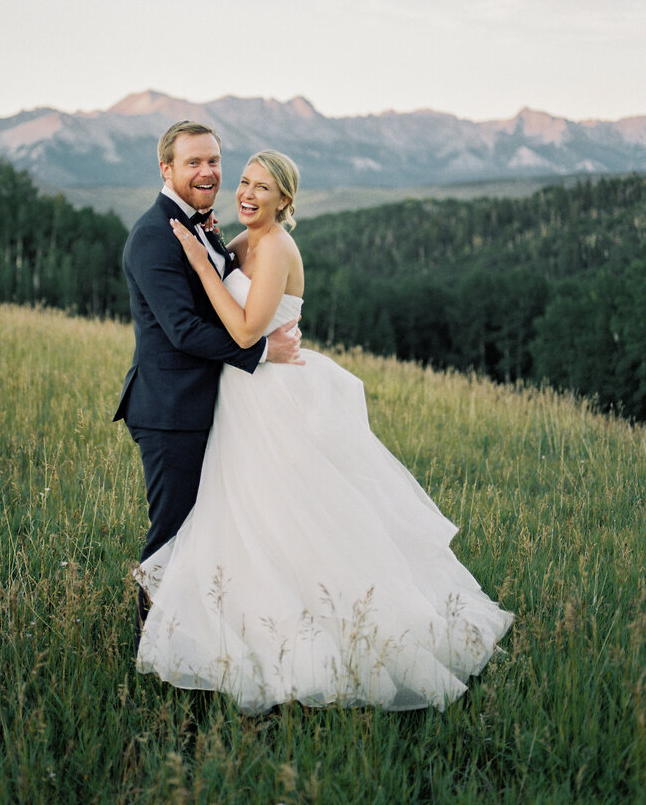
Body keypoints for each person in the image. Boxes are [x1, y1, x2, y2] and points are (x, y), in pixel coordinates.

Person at [134, 149, 514, 714]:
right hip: (242, 399)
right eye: (244, 181)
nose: (248, 192)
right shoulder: (242, 239)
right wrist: (206, 248)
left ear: (285, 200)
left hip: (270, 393)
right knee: (246, 520)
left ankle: (329, 640)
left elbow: (242, 329)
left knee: (293, 519)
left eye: (263, 188)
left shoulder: (278, 246)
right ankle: (240, 624)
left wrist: (195, 257)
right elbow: (222, 272)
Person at [113, 122, 303, 642]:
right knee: (172, 537)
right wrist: (262, 350)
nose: (207, 172)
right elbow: (183, 330)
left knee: (210, 534)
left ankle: (200, 641)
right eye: (193, 162)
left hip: (210, 406)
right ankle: (154, 649)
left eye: (214, 161)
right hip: (171, 410)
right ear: (166, 169)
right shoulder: (155, 236)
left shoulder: (202, 225)